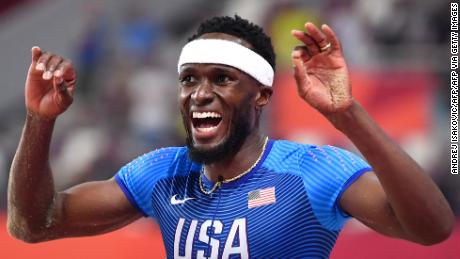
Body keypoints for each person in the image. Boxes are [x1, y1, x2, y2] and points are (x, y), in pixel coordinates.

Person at [7, 15, 454, 258]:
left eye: (222, 79)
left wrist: (348, 115)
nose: (201, 94)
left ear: (260, 96)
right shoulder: (163, 172)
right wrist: (39, 120)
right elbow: (32, 225)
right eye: (189, 80)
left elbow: (433, 230)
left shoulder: (310, 171)